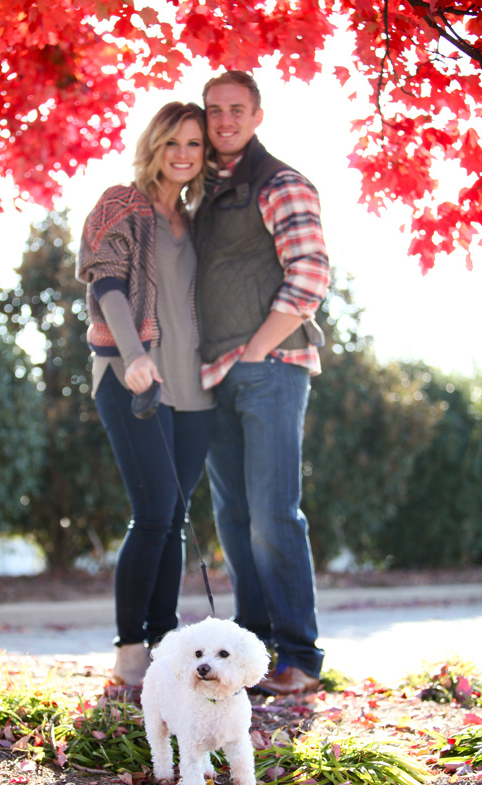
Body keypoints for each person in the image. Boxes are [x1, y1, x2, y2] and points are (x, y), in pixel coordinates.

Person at [193, 71, 330, 695]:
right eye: (214, 109)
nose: (224, 121)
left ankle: (299, 656)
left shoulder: (280, 182)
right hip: (216, 376)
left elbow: (309, 275)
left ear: (257, 115)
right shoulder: (206, 193)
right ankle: (251, 653)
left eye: (237, 110)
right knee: (235, 517)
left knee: (274, 517)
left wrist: (254, 352)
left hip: (270, 369)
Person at [77, 102, 215, 686]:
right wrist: (133, 355)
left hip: (196, 389)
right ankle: (130, 647)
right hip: (134, 378)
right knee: (154, 510)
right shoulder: (121, 203)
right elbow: (104, 277)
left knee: (176, 516)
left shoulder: (197, 218)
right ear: (154, 146)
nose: (183, 155)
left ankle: (163, 641)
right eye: (172, 143)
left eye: (195, 145)